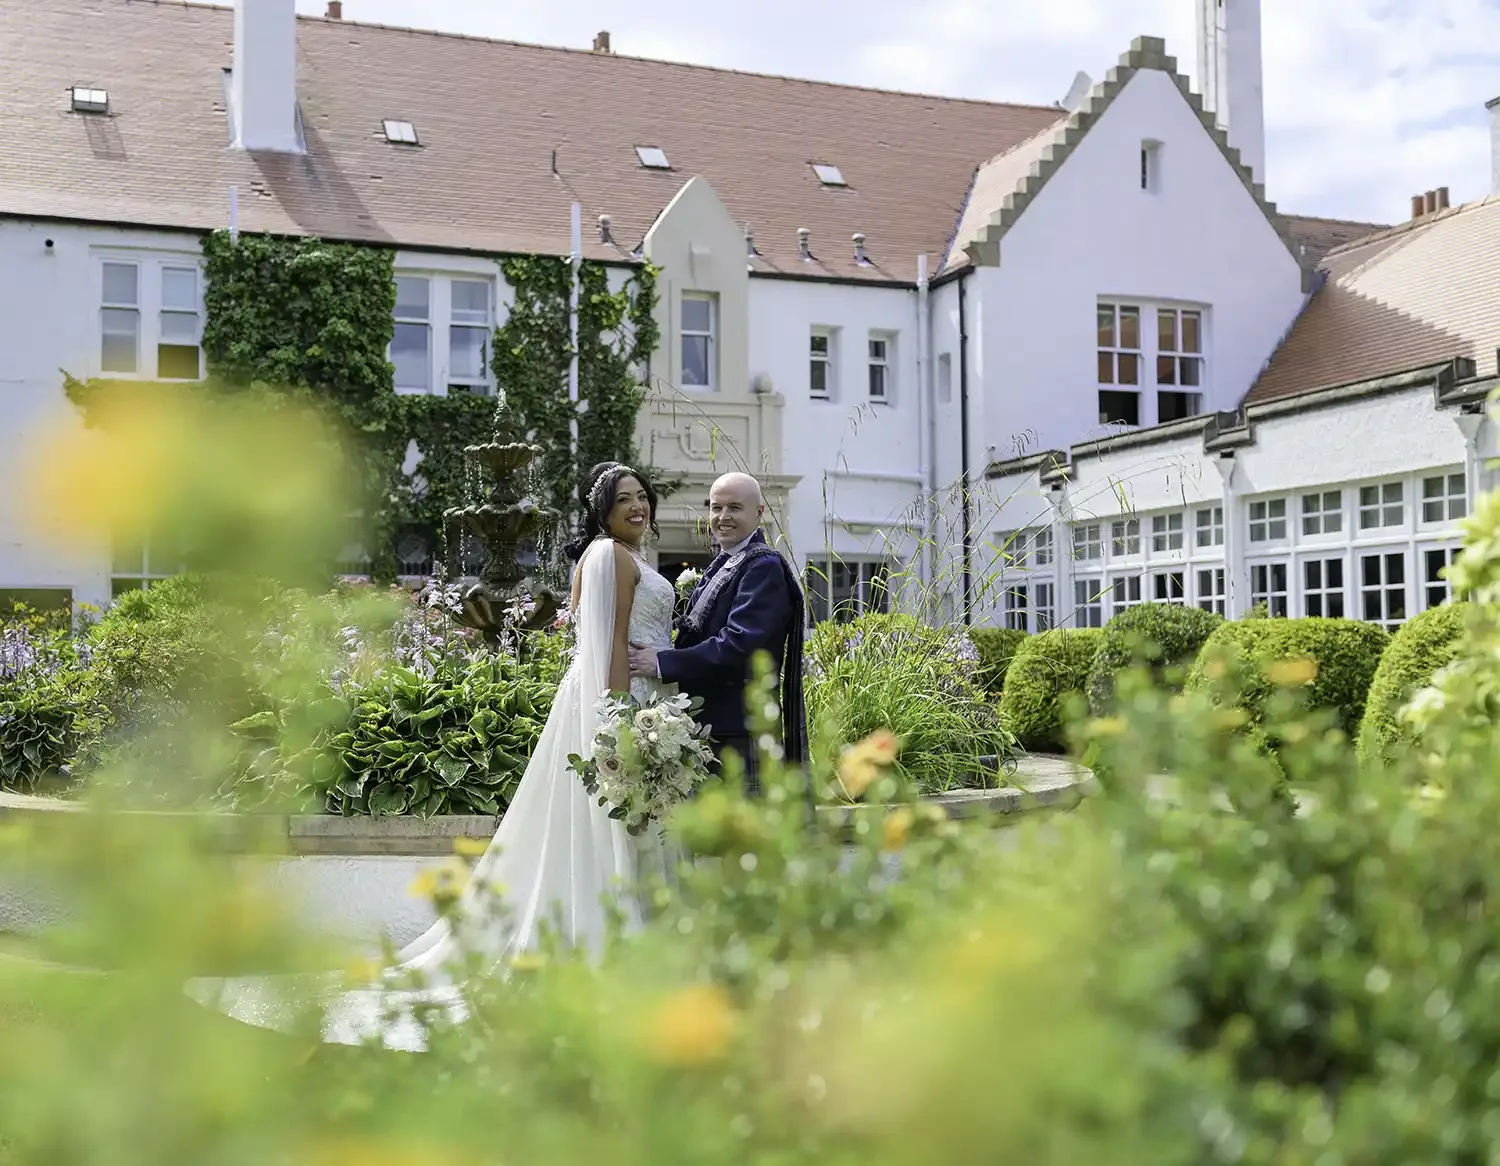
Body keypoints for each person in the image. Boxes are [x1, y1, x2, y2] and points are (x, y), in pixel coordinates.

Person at [188, 462, 679, 1051]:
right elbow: (610, 645)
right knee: (610, 827)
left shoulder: (609, 557)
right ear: (600, 510)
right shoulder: (612, 558)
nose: (637, 507)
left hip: (622, 697)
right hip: (616, 700)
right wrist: (620, 724)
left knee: (606, 828)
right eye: (623, 499)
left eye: (642, 497)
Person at [627, 471, 807, 795]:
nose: (723, 517)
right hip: (713, 727)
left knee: (741, 841)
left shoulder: (762, 566)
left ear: (759, 513)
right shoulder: (729, 561)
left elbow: (739, 643)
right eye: (716, 508)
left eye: (735, 508)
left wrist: (662, 662)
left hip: (739, 732)